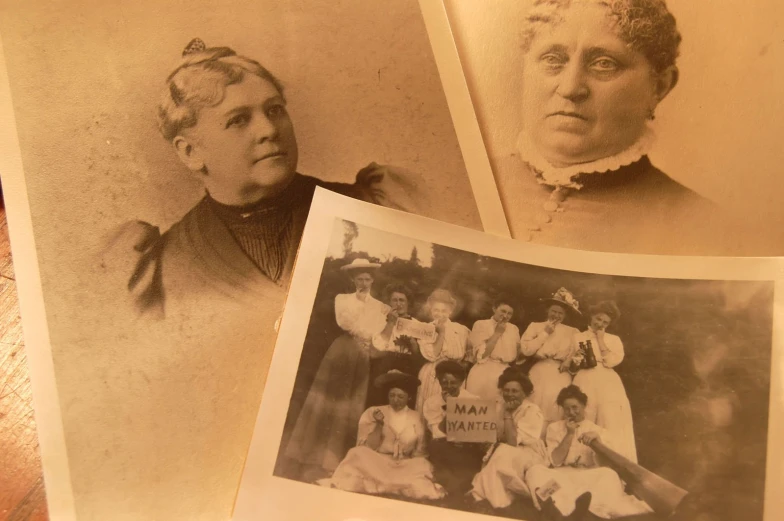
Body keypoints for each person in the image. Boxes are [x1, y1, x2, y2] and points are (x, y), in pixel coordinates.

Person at [104, 39, 423, 319]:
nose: (270, 130)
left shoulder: (372, 206)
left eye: (274, 110)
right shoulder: (165, 267)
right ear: (189, 152)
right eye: (239, 120)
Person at [489, 0, 781, 256]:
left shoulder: (708, 228)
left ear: (659, 86)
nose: (570, 88)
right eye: (553, 59)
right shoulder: (473, 180)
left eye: (604, 63)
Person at [283, 259, 389, 482]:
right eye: (359, 278)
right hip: (343, 350)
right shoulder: (343, 300)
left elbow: (378, 330)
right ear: (353, 279)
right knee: (327, 401)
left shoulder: (380, 306)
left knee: (351, 403)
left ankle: (334, 460)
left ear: (373, 280)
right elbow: (346, 323)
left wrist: (372, 339)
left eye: (367, 279)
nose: (363, 282)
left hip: (362, 355)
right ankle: (310, 457)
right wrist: (365, 330)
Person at [526, 385, 653, 519]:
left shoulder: (597, 430)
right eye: (567, 409)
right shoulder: (554, 428)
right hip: (562, 477)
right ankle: (553, 507)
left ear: (583, 406)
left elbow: (605, 464)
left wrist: (597, 441)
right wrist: (569, 434)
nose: (571, 412)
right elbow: (556, 461)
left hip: (588, 477)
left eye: (575, 407)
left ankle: (585, 509)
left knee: (609, 475)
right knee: (535, 471)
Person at [319, 370, 445, 500]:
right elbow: (368, 447)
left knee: (422, 464)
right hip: (378, 462)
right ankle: (391, 483)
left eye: (400, 397)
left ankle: (385, 482)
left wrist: (415, 462)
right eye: (392, 396)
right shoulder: (375, 412)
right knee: (356, 453)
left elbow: (419, 451)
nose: (395, 400)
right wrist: (379, 425)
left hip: (403, 465)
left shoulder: (416, 417)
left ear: (409, 398)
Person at [568, 301, 637, 462]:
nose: (600, 324)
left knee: (609, 419)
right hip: (584, 378)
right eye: (598, 319)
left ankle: (612, 464)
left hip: (607, 381)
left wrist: (600, 340)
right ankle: (583, 461)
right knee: (586, 416)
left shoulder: (614, 339)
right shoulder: (578, 337)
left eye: (605, 322)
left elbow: (611, 361)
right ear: (592, 316)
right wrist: (576, 360)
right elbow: (572, 367)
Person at [470, 368, 547, 510]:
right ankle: (490, 497)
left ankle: (485, 497)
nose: (510, 395)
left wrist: (508, 415)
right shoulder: (499, 405)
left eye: (515, 391)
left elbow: (512, 442)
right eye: (506, 390)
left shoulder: (531, 410)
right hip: (505, 450)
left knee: (502, 453)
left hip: (528, 453)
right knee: (500, 454)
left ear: (524, 393)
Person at [422, 360, 484, 501]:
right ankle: (455, 487)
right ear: (439, 383)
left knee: (471, 453)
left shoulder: (473, 399)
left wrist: (465, 439)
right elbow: (437, 432)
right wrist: (451, 407)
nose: (449, 386)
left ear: (461, 382)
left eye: (453, 382)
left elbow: (477, 430)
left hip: (466, 445)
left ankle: (459, 485)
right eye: (444, 383)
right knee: (438, 446)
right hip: (444, 444)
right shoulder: (432, 403)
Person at [519, 288, 580, 427]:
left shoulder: (572, 332)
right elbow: (526, 350)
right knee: (535, 403)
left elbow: (577, 352)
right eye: (553, 311)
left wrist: (568, 360)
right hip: (539, 370)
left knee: (555, 406)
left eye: (560, 313)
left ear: (565, 315)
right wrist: (545, 333)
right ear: (548, 311)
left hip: (560, 373)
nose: (556, 315)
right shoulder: (535, 326)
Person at [366, 283, 423, 407]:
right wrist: (391, 323)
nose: (399, 304)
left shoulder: (417, 324)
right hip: (384, 364)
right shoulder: (380, 321)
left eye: (402, 300)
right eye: (395, 300)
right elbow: (377, 347)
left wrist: (413, 343)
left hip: (407, 367)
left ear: (408, 303)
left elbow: (419, 356)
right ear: (389, 303)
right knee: (381, 402)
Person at [415, 289, 472, 412]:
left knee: (454, 412)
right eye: (436, 310)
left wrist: (460, 369)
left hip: (455, 375)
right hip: (433, 374)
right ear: (431, 310)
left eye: (444, 311)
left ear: (450, 312)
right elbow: (433, 355)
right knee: (432, 410)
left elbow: (469, 354)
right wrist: (441, 333)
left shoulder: (462, 330)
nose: (440, 314)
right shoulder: (426, 329)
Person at [466, 297, 520, 401]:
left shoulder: (514, 329)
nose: (505, 316)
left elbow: (515, 356)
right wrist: (497, 333)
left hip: (505, 373)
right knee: (479, 407)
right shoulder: (481, 324)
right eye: (503, 311)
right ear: (494, 308)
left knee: (498, 409)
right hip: (484, 369)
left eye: (509, 313)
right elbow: (481, 355)